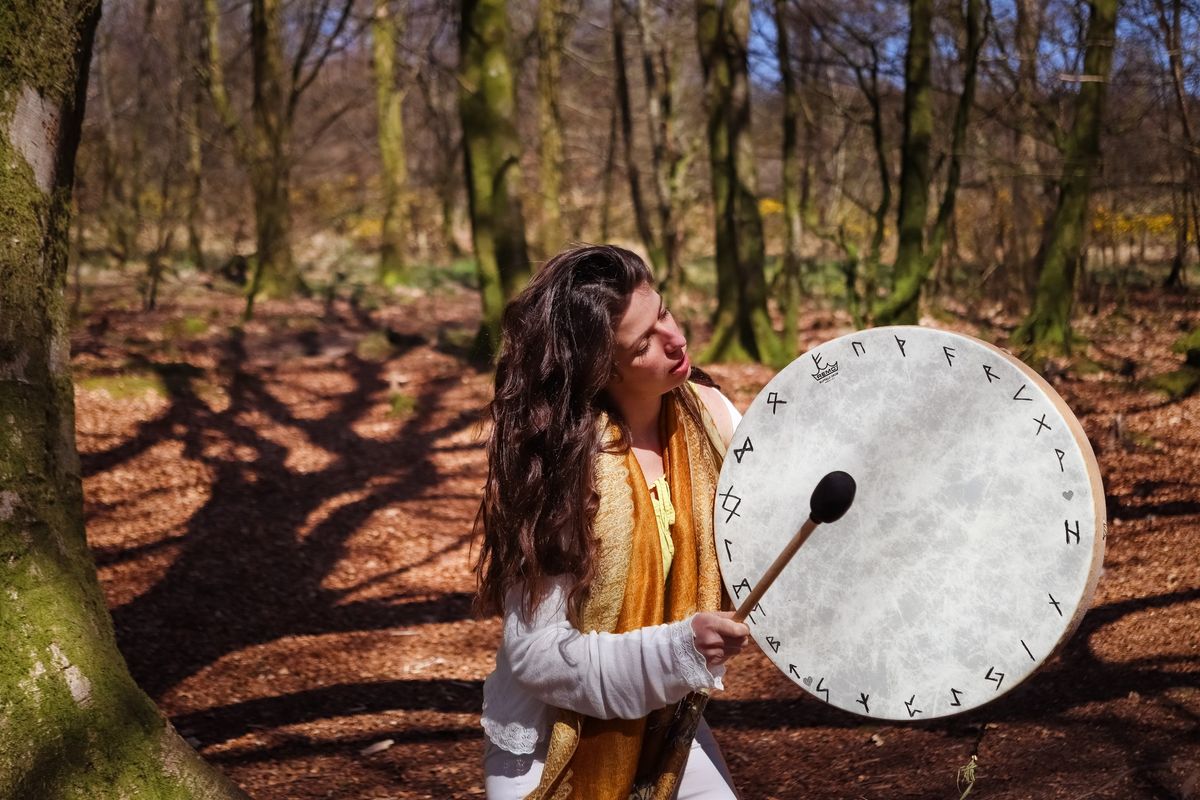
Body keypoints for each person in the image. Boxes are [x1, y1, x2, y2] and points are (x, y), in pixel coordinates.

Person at [474, 244, 751, 799]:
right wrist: (676, 652)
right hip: (549, 746)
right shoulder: (564, 467)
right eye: (644, 342)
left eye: (664, 312)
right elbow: (536, 656)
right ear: (600, 369)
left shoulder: (712, 418)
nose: (675, 340)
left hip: (666, 722)